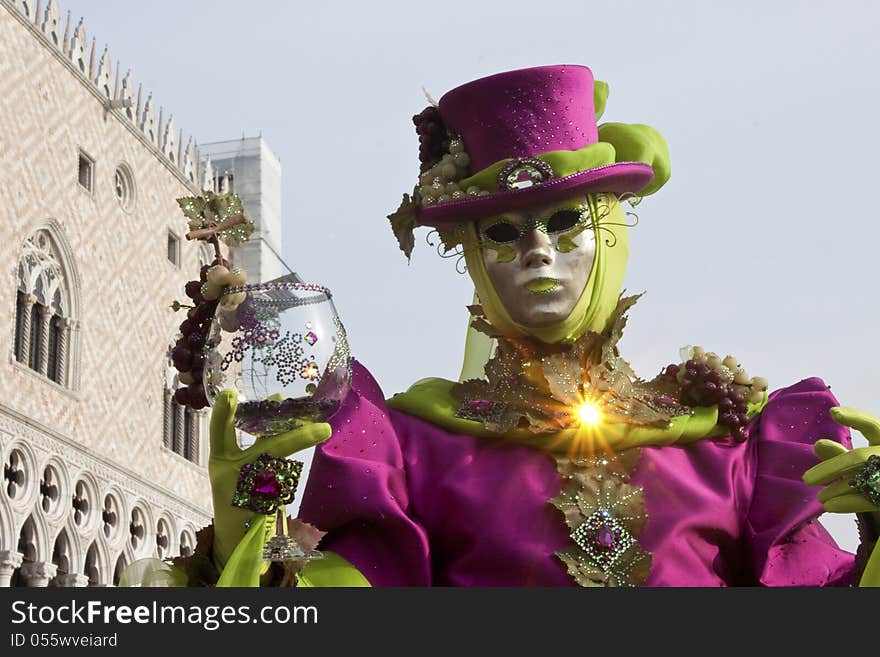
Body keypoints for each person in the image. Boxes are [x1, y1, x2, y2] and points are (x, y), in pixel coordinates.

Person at [137, 65, 880, 587]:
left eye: (563, 221)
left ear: (610, 231)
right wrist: (248, 536)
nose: (537, 251)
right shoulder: (415, 453)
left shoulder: (734, 446)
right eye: (502, 232)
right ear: (471, 256)